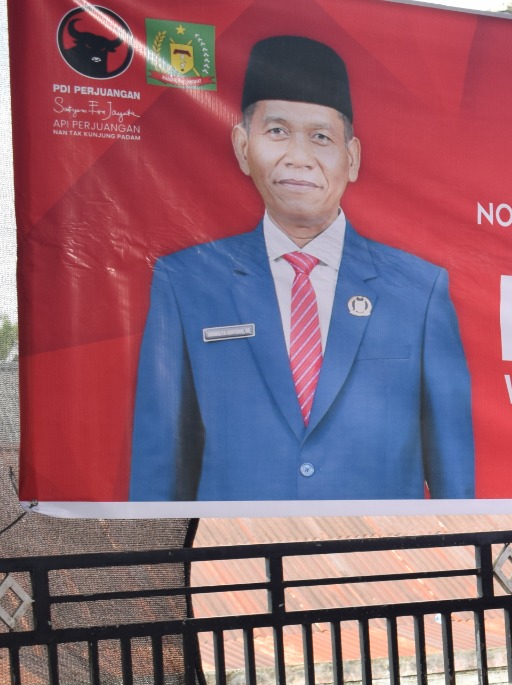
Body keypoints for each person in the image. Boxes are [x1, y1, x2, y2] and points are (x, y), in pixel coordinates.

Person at [129, 34, 474, 502]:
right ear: (242, 146)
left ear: (351, 158)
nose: (299, 157)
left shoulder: (419, 290)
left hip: (380, 545)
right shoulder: (187, 283)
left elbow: (453, 469)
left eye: (321, 137)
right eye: (277, 131)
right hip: (237, 547)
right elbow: (160, 462)